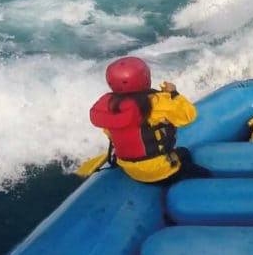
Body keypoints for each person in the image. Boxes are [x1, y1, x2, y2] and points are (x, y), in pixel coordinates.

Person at [89, 56, 209, 184]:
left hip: (131, 170)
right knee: (185, 154)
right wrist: (174, 94)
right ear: (145, 78)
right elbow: (188, 116)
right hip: (161, 173)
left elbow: (110, 134)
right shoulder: (156, 102)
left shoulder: (110, 107)